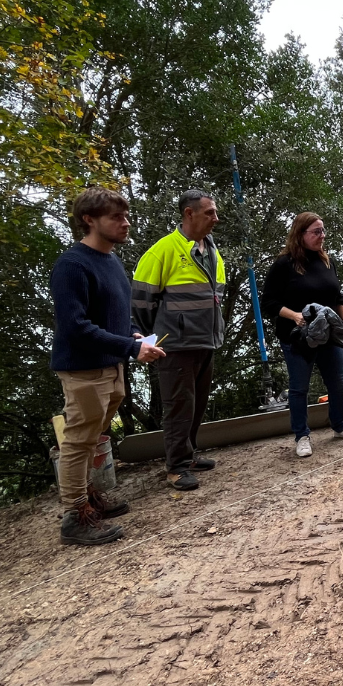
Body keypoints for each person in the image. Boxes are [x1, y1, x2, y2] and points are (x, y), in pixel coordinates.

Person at [51, 187, 165, 545]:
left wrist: (132, 334)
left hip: (111, 366)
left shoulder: (112, 260)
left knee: (94, 437)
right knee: (79, 440)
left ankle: (89, 497)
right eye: (116, 217)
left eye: (125, 216)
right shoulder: (72, 265)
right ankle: (74, 515)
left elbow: (116, 312)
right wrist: (130, 348)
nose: (125, 223)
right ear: (89, 220)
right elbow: (76, 327)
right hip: (83, 369)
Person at [132, 190, 225, 491]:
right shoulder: (163, 251)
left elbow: (214, 296)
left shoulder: (211, 249)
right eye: (209, 212)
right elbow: (141, 304)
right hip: (176, 345)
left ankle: (189, 455)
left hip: (205, 341)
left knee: (196, 404)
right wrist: (153, 338)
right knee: (178, 406)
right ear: (189, 213)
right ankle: (176, 468)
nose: (216, 218)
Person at [260, 212, 343, 458]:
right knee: (299, 388)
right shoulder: (284, 264)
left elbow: (338, 298)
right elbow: (268, 303)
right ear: (300, 234)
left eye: (323, 231)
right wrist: (294, 315)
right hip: (298, 337)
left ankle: (339, 425)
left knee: (337, 383)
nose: (322, 236)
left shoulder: (327, 261)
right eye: (316, 232)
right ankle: (302, 436)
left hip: (329, 334)